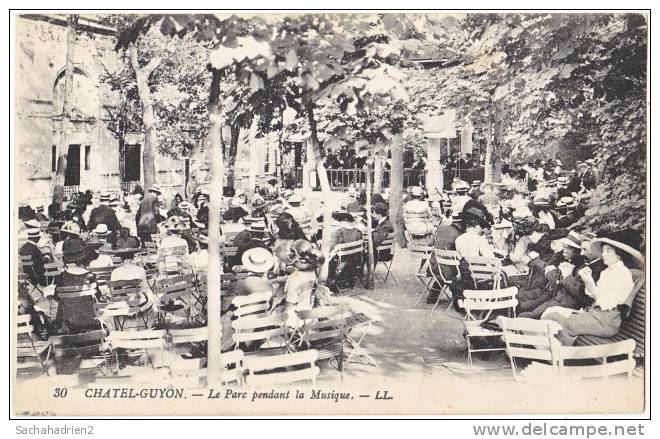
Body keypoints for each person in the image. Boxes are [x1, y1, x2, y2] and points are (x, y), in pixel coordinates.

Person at [543, 230, 643, 345]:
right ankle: (557, 352)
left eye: (608, 251)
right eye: (603, 250)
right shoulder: (607, 272)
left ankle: (558, 354)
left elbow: (604, 303)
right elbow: (595, 297)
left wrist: (589, 281)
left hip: (607, 322)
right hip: (595, 315)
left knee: (553, 319)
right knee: (551, 314)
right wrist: (587, 280)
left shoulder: (623, 275)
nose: (604, 254)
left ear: (619, 254)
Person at [50, 238, 103, 336]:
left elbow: (57, 297)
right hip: (89, 322)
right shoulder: (90, 276)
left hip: (67, 323)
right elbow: (97, 297)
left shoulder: (61, 277)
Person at [326, 211, 363, 294]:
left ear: (341, 222)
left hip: (341, 264)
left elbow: (329, 248)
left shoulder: (338, 232)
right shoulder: (358, 232)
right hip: (354, 262)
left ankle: (329, 284)